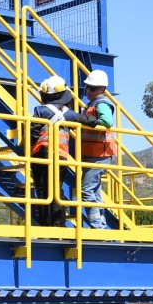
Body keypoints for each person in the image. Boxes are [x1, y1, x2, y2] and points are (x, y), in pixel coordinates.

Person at [29, 75, 86, 227]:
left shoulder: (40, 111)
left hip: (41, 156)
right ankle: (58, 224)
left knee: (43, 193)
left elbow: (33, 133)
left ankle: (45, 226)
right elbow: (87, 120)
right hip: (60, 157)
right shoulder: (69, 114)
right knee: (57, 191)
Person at [77, 70, 118, 229]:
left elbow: (107, 121)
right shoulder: (91, 104)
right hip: (92, 155)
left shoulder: (101, 103)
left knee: (87, 190)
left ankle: (97, 228)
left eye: (92, 88)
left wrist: (87, 121)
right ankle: (101, 226)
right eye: (87, 87)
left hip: (99, 155)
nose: (88, 91)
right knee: (95, 191)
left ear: (102, 89)